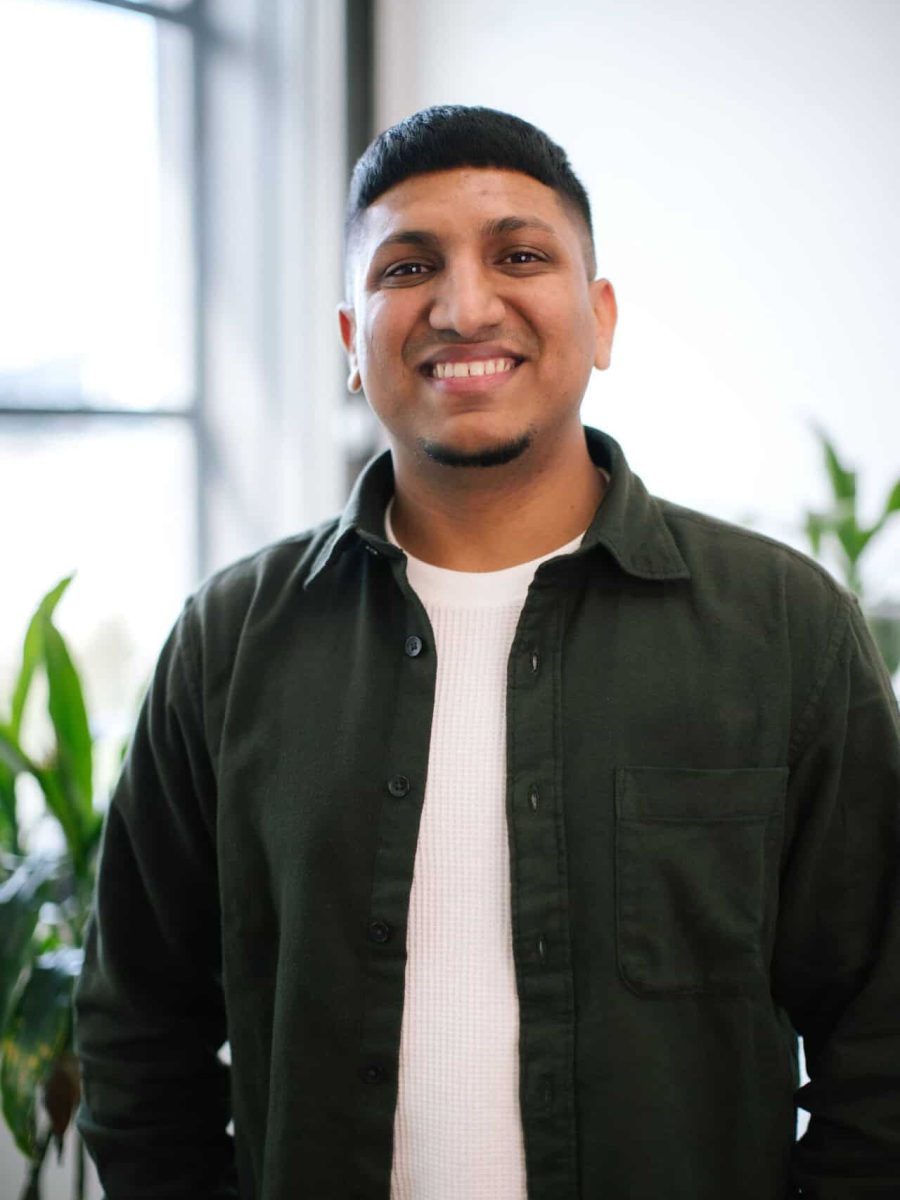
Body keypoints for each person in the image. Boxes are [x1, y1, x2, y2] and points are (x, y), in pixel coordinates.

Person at [74, 105, 900, 1200]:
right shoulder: (230, 646)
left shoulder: (785, 629)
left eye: (519, 255)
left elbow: (883, 1045)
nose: (464, 307)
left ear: (599, 319)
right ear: (350, 345)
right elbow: (138, 1036)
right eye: (408, 266)